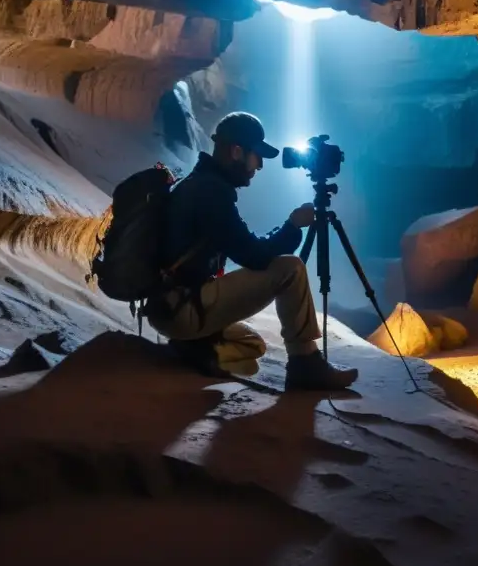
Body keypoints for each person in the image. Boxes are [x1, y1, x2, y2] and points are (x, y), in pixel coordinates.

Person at [145, 111, 359, 391]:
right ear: (236, 151)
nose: (258, 165)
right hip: (182, 307)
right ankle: (306, 364)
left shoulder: (200, 183)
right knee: (290, 268)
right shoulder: (211, 192)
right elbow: (254, 255)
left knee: (252, 347)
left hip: (170, 306)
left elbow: (246, 246)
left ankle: (194, 349)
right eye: (256, 156)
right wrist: (293, 226)